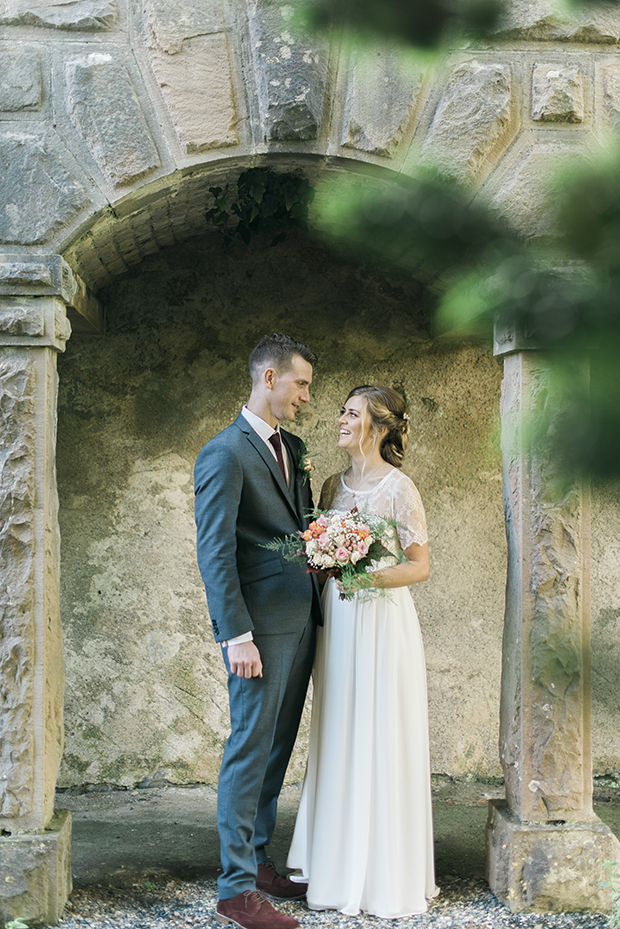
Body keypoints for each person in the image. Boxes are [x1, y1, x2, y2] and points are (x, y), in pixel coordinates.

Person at [287, 385, 438, 918]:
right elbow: (316, 552)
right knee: (339, 728)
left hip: (380, 622)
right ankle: (333, 862)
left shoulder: (399, 489)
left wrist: (367, 576)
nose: (340, 419)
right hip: (340, 624)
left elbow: (419, 565)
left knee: (380, 731)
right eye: (343, 411)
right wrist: (330, 562)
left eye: (351, 414)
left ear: (376, 427)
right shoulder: (330, 485)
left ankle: (382, 874)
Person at [194, 334, 322, 929]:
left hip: (302, 620)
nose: (304, 398)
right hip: (258, 631)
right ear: (268, 378)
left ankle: (256, 857)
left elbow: (303, 528)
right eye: (299, 386)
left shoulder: (292, 447)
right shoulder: (224, 453)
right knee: (248, 748)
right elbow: (216, 551)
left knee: (276, 748)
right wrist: (234, 634)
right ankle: (235, 889)